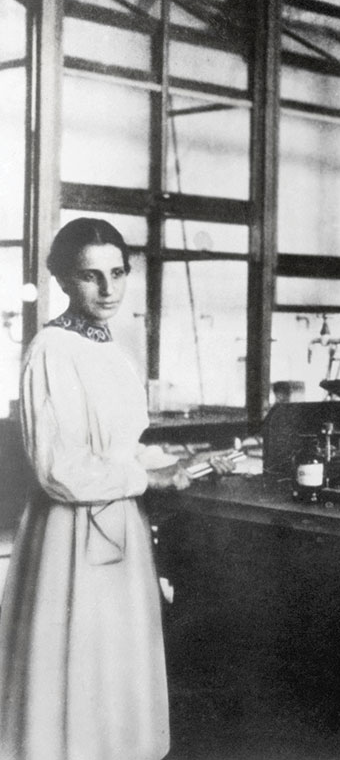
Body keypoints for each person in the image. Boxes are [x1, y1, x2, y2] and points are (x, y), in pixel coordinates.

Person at [0, 217, 193, 760]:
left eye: (117, 273)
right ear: (63, 279)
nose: (108, 289)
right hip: (69, 537)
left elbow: (116, 445)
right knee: (72, 681)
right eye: (91, 276)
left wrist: (171, 461)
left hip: (119, 531)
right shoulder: (51, 350)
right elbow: (58, 468)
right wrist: (146, 476)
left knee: (114, 678)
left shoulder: (114, 351)